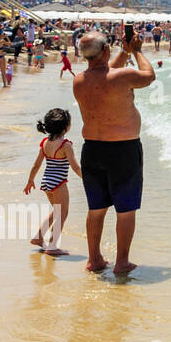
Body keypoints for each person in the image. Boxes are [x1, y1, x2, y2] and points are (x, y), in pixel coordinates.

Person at [72, 30, 155, 275]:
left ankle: (94, 259)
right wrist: (137, 50)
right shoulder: (123, 76)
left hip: (93, 150)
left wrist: (123, 51)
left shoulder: (79, 80)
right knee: (125, 210)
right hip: (123, 149)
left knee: (96, 208)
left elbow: (104, 72)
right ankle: (122, 262)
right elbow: (149, 76)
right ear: (105, 51)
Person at [23, 108, 80, 257]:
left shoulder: (45, 143)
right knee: (62, 213)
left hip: (47, 182)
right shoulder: (65, 145)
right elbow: (75, 166)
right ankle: (53, 245)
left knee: (56, 211)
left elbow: (36, 165)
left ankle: (38, 237)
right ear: (66, 127)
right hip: (59, 183)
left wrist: (30, 181)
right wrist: (88, 179)